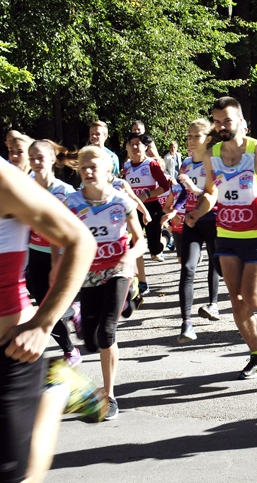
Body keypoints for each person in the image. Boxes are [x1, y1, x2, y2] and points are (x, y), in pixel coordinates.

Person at [185, 96, 257, 380]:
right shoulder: (212, 155)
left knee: (253, 296)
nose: (222, 126)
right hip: (226, 234)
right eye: (217, 121)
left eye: (227, 121)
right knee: (237, 299)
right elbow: (212, 192)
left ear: (240, 122)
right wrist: (198, 211)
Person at [0, 157, 96, 483]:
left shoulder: (4, 181)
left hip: (12, 350)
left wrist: (43, 324)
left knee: (18, 476)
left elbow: (80, 241)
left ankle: (56, 390)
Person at [66, 146, 148, 420]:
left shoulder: (122, 201)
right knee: (89, 339)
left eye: (94, 167)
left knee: (106, 333)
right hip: (88, 273)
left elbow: (140, 240)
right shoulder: (72, 202)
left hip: (117, 271)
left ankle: (109, 395)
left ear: (108, 171)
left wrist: (129, 256)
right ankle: (128, 300)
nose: (88, 172)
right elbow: (62, 238)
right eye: (83, 167)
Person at [26, 140, 82, 366]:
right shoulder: (26, 186)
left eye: (40, 157)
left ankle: (75, 308)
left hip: (61, 254)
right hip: (34, 253)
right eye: (32, 158)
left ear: (51, 160)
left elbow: (78, 229)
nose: (36, 162)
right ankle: (70, 349)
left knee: (54, 304)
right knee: (43, 305)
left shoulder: (65, 192)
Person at [171, 120, 223, 339]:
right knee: (188, 268)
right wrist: (173, 210)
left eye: (196, 136)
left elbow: (215, 193)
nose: (190, 141)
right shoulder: (185, 164)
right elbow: (185, 194)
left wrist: (194, 188)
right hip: (191, 221)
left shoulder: (216, 163)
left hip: (213, 219)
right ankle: (186, 323)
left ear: (208, 139)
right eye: (188, 136)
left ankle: (213, 304)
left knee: (218, 265)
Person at [123, 133, 170, 273]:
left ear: (145, 147)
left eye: (138, 144)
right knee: (133, 244)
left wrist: (147, 194)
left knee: (154, 249)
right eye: (132, 144)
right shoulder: (127, 166)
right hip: (134, 208)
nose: (135, 147)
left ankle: (167, 236)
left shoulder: (151, 164)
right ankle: (137, 279)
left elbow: (165, 186)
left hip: (151, 207)